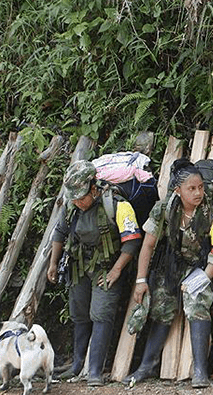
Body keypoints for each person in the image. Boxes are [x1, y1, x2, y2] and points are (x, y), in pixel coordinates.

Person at [123, 158, 213, 388]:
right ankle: (147, 365)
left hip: (203, 266)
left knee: (197, 302)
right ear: (177, 190)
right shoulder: (164, 209)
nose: (198, 193)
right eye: (191, 188)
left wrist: (202, 278)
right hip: (173, 264)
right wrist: (141, 280)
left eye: (200, 187)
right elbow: (148, 245)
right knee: (161, 304)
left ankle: (201, 370)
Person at [46, 160, 143, 386]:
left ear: (93, 188)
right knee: (79, 312)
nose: (78, 202)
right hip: (79, 266)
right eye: (74, 198)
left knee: (101, 313)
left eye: (82, 197)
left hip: (107, 267)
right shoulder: (72, 206)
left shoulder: (117, 205)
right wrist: (53, 263)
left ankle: (95, 371)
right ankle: (77, 364)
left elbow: (132, 240)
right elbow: (59, 233)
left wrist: (117, 270)